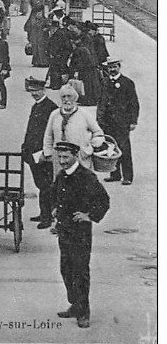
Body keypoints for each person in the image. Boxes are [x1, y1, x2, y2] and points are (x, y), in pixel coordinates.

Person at [52, 140, 110, 329]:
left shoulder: (86, 176)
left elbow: (103, 200)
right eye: (59, 157)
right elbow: (56, 196)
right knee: (66, 269)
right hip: (64, 231)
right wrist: (55, 212)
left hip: (80, 233)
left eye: (65, 157)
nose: (62, 161)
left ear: (75, 156)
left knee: (80, 271)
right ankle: (75, 305)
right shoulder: (61, 175)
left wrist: (89, 216)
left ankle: (83, 312)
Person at [22, 76, 59, 229]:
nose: (34, 93)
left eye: (37, 90)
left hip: (43, 155)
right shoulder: (36, 106)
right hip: (33, 153)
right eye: (32, 91)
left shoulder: (51, 108)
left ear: (44, 90)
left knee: (45, 185)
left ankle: (47, 217)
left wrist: (47, 152)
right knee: (41, 184)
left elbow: (53, 132)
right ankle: (45, 212)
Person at [97, 58, 139, 185]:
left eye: (114, 67)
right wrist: (98, 119)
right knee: (111, 147)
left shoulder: (127, 83)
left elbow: (134, 103)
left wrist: (133, 121)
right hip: (107, 121)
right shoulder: (104, 82)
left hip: (122, 122)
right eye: (110, 68)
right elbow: (101, 102)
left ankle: (128, 176)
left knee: (124, 148)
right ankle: (114, 174)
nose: (112, 70)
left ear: (119, 67)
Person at [43, 85, 103, 173]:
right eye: (63, 96)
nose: (66, 99)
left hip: (81, 159)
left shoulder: (84, 114)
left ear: (75, 98)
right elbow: (48, 135)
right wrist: (48, 153)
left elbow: (98, 133)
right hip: (60, 160)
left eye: (69, 96)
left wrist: (89, 147)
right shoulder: (54, 114)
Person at [67, 28, 99, 106]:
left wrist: (74, 72)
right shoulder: (84, 48)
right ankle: (93, 100)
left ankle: (88, 101)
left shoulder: (78, 50)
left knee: (87, 86)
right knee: (92, 85)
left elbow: (75, 63)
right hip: (91, 68)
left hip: (85, 70)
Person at [46, 12, 72, 90]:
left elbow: (55, 44)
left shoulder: (59, 33)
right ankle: (55, 83)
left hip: (58, 53)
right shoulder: (64, 32)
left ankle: (55, 84)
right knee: (57, 68)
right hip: (62, 53)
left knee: (55, 69)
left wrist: (53, 53)